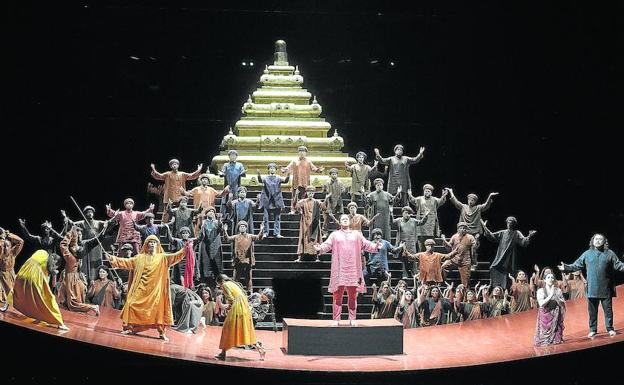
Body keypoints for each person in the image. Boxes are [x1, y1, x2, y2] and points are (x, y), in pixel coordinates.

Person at [104, 234, 187, 341]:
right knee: (131, 304)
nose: (152, 244)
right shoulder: (140, 258)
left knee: (158, 311)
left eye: (154, 242)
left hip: (155, 291)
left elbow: (176, 256)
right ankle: (129, 327)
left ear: (157, 245)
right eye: (150, 242)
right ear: (146, 245)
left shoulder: (163, 258)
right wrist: (112, 258)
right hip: (141, 289)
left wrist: (185, 249)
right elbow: (126, 262)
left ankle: (161, 332)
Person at [314, 214, 382, 325]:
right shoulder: (334, 235)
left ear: (349, 221)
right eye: (342, 219)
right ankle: (336, 319)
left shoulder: (357, 234)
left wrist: (375, 246)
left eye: (346, 219)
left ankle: (352, 318)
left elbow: (366, 244)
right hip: (339, 269)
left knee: (352, 296)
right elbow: (327, 245)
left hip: (353, 269)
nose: (345, 220)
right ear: (340, 222)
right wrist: (320, 248)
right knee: (337, 296)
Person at [558, 233, 624, 338]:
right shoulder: (587, 254)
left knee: (608, 310)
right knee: (592, 311)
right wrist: (565, 267)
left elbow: (618, 265)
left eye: (600, 239)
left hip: (605, 288)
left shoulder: (610, 253)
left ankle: (610, 328)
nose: (598, 241)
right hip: (592, 288)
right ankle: (593, 329)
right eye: (596, 239)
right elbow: (576, 265)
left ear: (604, 242)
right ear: (592, 241)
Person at [0, 250, 68, 330]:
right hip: (33, 278)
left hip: (22, 274)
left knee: (17, 292)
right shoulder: (48, 265)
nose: (54, 267)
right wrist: (53, 273)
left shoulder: (41, 252)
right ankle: (59, 322)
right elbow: (49, 282)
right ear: (55, 260)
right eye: (55, 265)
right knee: (49, 298)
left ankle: (5, 306)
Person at [214, 274, 265, 361]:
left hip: (237, 307)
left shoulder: (225, 285)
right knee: (244, 329)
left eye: (218, 284)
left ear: (220, 281)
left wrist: (228, 307)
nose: (219, 286)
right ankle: (259, 349)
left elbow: (231, 299)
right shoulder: (232, 283)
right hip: (243, 307)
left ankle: (223, 353)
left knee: (227, 329)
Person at [446, 188, 499, 270]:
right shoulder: (463, 207)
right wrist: (451, 191)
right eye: (469, 199)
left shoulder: (478, 208)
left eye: (472, 200)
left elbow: (486, 205)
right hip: (464, 231)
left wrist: (490, 196)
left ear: (475, 201)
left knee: (473, 249)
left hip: (475, 232)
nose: (470, 201)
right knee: (460, 247)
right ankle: (458, 262)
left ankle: (474, 264)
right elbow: (455, 201)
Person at [57, 226, 101, 315]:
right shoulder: (76, 257)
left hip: (71, 279)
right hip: (72, 278)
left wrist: (70, 233)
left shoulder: (71, 258)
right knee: (63, 298)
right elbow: (73, 243)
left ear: (76, 252)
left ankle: (93, 307)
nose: (73, 247)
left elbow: (63, 245)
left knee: (73, 304)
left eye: (75, 247)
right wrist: (74, 233)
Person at [482, 217, 536, 289]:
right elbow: (492, 236)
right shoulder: (503, 232)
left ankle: (509, 289)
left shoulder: (516, 233)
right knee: (493, 268)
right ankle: (495, 287)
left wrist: (529, 236)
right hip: (501, 255)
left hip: (510, 256)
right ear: (506, 223)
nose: (509, 223)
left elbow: (523, 242)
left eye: (511, 222)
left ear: (514, 224)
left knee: (510, 272)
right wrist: (485, 228)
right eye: (508, 221)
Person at [61, 206, 107, 281]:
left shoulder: (98, 223)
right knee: (84, 264)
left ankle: (96, 280)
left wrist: (108, 223)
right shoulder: (81, 223)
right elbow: (72, 224)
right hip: (84, 246)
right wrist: (66, 218)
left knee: (95, 263)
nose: (90, 213)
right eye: (88, 212)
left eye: (91, 212)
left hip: (95, 246)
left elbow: (109, 223)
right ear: (85, 214)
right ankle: (84, 280)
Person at [223, 221, 265, 292]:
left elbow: (258, 238)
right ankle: (235, 291)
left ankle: (249, 291)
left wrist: (261, 230)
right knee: (236, 278)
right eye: (240, 227)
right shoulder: (236, 237)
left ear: (246, 228)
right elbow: (227, 239)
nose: (242, 228)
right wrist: (225, 231)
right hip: (238, 260)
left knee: (248, 278)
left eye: (243, 226)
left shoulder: (250, 236)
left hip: (247, 260)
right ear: (239, 228)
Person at [282, 145, 324, 214]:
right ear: (298, 152)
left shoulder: (308, 161)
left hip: (305, 182)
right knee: (295, 196)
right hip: (296, 181)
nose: (302, 153)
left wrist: (319, 170)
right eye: (300, 151)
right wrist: (285, 170)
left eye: (303, 151)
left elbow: (314, 168)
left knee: (304, 196)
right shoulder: (294, 161)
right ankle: (293, 209)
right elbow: (288, 167)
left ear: (306, 153)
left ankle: (302, 209)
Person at [407, 184, 447, 251]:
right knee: (421, 240)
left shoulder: (434, 200)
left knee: (430, 240)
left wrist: (443, 196)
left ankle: (430, 253)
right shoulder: (420, 199)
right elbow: (413, 200)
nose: (427, 192)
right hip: (421, 222)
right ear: (424, 192)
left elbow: (441, 201)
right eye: (426, 191)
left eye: (428, 191)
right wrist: (410, 195)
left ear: (431, 192)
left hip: (431, 223)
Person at [393, 205, 428, 279]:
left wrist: (426, 215)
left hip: (412, 243)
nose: (407, 215)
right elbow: (391, 221)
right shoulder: (399, 220)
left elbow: (422, 222)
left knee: (413, 258)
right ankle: (405, 274)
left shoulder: (413, 221)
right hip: (403, 243)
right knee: (404, 258)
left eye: (409, 213)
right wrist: (390, 213)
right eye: (406, 213)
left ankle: (414, 272)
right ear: (402, 213)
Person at [257, 163, 289, 237]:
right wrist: (258, 175)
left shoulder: (278, 178)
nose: (272, 169)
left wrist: (288, 175)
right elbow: (260, 180)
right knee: (265, 218)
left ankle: (277, 232)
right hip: (267, 199)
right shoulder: (265, 178)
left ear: (275, 170)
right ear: (268, 170)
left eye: (273, 168)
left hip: (276, 199)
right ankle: (265, 232)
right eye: (270, 168)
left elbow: (285, 181)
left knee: (277, 218)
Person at [534, 272, 566, 346]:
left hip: (555, 314)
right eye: (548, 277)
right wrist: (550, 296)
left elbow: (562, 303)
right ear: (544, 280)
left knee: (556, 336)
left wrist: (558, 299)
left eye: (552, 277)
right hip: (545, 314)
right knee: (544, 338)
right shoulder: (540, 291)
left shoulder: (558, 290)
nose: (550, 279)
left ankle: (555, 338)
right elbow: (541, 304)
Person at [295, 186, 325, 262]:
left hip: (314, 222)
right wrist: (296, 196)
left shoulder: (317, 201)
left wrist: (326, 198)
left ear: (314, 193)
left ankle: (316, 256)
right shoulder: (303, 201)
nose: (310, 194)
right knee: (303, 238)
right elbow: (297, 207)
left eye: (312, 193)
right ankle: (300, 256)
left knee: (315, 239)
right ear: (307, 193)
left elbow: (324, 208)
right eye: (309, 193)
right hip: (305, 223)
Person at [442, 222, 475, 288]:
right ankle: (442, 282)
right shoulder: (454, 236)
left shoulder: (470, 237)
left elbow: (475, 247)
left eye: (464, 228)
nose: (463, 229)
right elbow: (449, 246)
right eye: (461, 228)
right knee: (443, 267)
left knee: (465, 281)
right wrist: (444, 240)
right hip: (454, 259)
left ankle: (465, 293)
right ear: (458, 229)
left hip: (465, 261)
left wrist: (477, 242)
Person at [196, 207, 224, 284]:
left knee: (216, 262)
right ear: (206, 213)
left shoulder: (216, 222)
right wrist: (200, 219)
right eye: (209, 211)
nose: (211, 212)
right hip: (205, 244)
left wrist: (219, 219)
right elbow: (200, 227)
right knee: (205, 261)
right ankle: (204, 279)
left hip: (215, 244)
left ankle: (218, 279)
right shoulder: (204, 222)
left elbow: (220, 228)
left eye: (212, 211)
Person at [0, 228, 24, 303]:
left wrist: (8, 235)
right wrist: (3, 238)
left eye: (7, 246)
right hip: (2, 276)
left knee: (14, 296)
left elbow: (21, 241)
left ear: (10, 247)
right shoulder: (1, 254)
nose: (5, 248)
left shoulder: (13, 253)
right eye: (4, 246)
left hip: (11, 275)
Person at [321, 168, 347, 238]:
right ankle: (325, 232)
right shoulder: (327, 182)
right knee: (327, 219)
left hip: (338, 201)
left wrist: (344, 190)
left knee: (338, 218)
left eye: (335, 174)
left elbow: (343, 191)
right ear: (330, 175)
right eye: (333, 174)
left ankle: (340, 231)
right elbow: (323, 192)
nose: (334, 175)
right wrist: (324, 190)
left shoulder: (340, 182)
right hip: (330, 202)